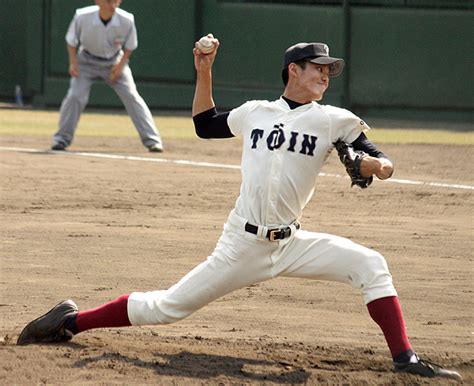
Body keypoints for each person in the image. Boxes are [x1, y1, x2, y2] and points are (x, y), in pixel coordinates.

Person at [17, 37, 461, 381]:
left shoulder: (333, 120)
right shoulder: (255, 112)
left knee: (371, 264)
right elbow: (205, 124)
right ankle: (70, 322)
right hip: (241, 245)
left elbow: (370, 155)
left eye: (330, 70)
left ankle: (405, 359)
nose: (326, 75)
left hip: (292, 243)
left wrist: (376, 165)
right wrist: (204, 71)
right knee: (167, 307)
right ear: (294, 69)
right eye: (318, 68)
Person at [51, 0, 163, 153]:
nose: (112, 5)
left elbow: (130, 46)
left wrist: (120, 66)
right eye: (108, 1)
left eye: (115, 1)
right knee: (75, 96)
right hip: (86, 61)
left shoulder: (126, 19)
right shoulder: (82, 16)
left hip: (114, 61)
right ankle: (61, 140)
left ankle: (152, 141)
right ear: (98, 1)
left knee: (131, 96)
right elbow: (71, 40)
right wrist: (73, 62)